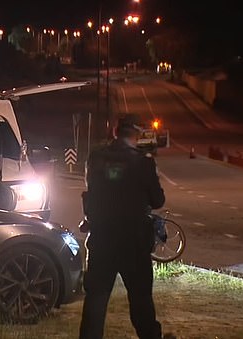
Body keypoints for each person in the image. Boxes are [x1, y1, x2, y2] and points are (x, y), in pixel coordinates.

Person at [79, 113, 171, 339]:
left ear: (114, 132)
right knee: (140, 299)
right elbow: (158, 200)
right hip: (134, 242)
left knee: (96, 301)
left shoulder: (96, 158)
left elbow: (91, 192)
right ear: (137, 134)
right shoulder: (143, 162)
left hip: (102, 239)